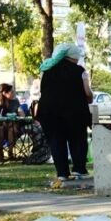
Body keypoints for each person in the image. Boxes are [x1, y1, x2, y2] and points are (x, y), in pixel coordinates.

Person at [37, 43, 93, 181]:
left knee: (56, 141)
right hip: (74, 111)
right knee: (78, 139)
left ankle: (62, 173)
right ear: (72, 57)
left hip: (49, 112)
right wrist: (90, 97)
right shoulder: (79, 71)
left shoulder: (46, 69)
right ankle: (79, 169)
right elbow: (87, 92)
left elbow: (42, 91)